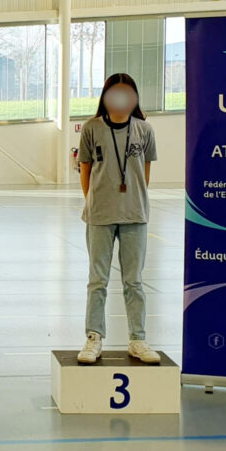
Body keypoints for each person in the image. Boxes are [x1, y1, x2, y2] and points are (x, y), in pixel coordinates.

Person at [76, 73, 161, 365]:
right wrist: (93, 201)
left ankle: (138, 338)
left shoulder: (144, 129)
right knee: (97, 280)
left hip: (134, 215)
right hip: (100, 215)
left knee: (133, 281)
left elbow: (144, 174)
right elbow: (85, 169)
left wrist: (133, 200)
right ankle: (93, 337)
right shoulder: (92, 128)